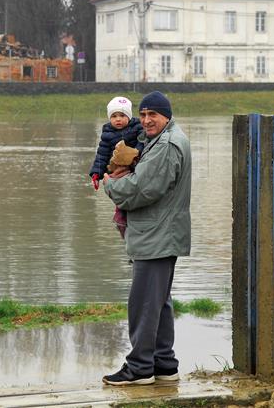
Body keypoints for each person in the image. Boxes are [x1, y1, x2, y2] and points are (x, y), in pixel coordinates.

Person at [101, 91, 192, 386]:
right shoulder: (160, 139)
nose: (146, 120)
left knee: (142, 303)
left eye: (153, 114)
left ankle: (139, 367)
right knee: (158, 302)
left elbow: (141, 190)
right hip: (158, 234)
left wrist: (110, 185)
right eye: (142, 115)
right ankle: (163, 364)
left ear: (166, 115)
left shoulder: (166, 145)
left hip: (156, 236)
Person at [88, 96, 144, 236]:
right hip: (117, 169)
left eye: (122, 115)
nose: (118, 119)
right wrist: (96, 174)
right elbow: (101, 155)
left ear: (129, 116)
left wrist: (137, 153)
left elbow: (142, 142)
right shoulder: (107, 133)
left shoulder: (137, 128)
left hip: (134, 166)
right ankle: (121, 218)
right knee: (120, 194)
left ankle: (132, 218)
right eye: (114, 116)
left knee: (133, 192)